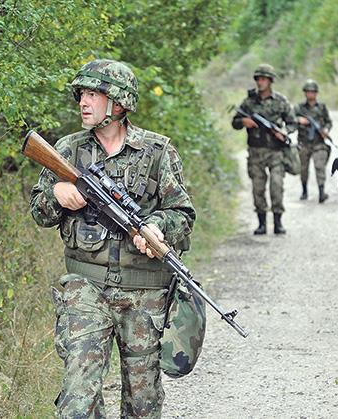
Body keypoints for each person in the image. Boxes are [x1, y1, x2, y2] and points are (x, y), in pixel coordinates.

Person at [29, 59, 196, 418]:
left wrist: (156, 227)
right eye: (82, 95)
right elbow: (40, 212)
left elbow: (183, 214)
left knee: (142, 402)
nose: (83, 102)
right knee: (78, 396)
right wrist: (57, 194)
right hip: (85, 288)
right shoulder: (69, 149)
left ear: (118, 104)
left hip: (145, 295)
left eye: (93, 95)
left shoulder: (158, 151)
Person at [232, 63, 297, 235]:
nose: (260, 82)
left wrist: (284, 132)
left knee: (277, 185)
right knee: (258, 188)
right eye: (258, 79)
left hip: (276, 152)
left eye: (263, 79)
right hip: (256, 152)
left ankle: (278, 221)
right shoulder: (248, 102)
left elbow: (292, 122)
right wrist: (243, 122)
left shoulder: (280, 101)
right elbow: (235, 122)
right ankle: (261, 223)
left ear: (270, 81)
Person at [294, 79, 333, 203]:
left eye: (312, 92)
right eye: (308, 91)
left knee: (319, 166)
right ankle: (304, 191)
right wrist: (298, 120)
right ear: (305, 93)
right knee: (303, 169)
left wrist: (325, 130)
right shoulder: (299, 108)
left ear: (316, 93)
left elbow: (328, 122)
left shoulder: (321, 107)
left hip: (318, 143)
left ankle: (321, 192)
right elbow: (290, 119)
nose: (310, 94)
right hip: (304, 143)